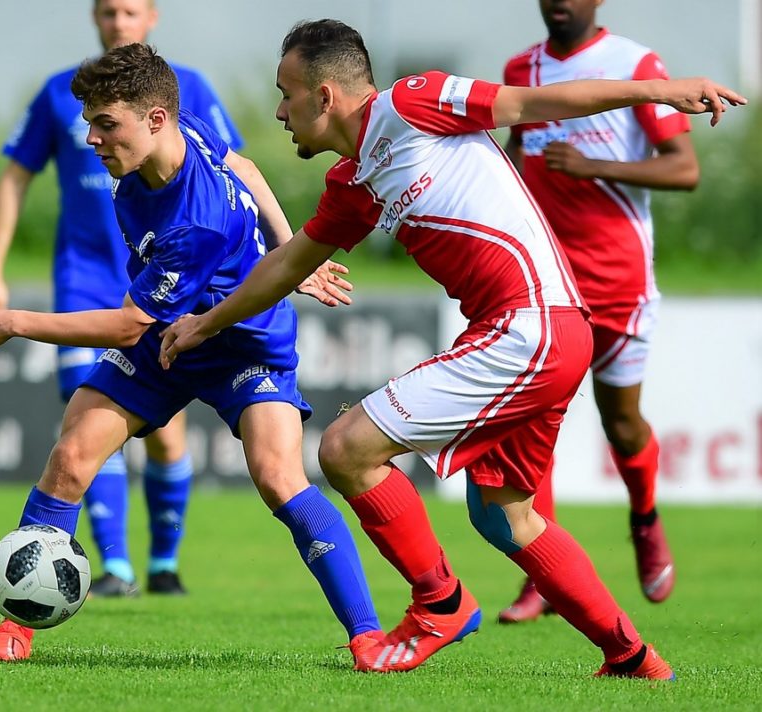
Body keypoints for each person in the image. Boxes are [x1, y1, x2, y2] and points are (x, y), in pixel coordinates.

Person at [160, 19, 744, 678]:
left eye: (285, 93)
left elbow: (535, 104)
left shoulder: (414, 102)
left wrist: (660, 91)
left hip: (529, 328)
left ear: (324, 96)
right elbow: (288, 262)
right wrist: (206, 323)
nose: (278, 111)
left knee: (345, 449)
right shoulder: (354, 182)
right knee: (504, 518)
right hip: (543, 334)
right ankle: (633, 658)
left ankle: (439, 603)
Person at [0, 41, 386, 669]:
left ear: (153, 119)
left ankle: (368, 637)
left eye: (106, 125)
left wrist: (13, 322)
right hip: (170, 334)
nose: (92, 139)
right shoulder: (178, 131)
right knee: (71, 456)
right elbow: (247, 168)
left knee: (279, 478)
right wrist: (293, 254)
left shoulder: (196, 221)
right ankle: (13, 631)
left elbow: (126, 326)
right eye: (89, 123)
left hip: (243, 339)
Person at [0, 0, 242, 629]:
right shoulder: (59, 92)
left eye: (130, 11)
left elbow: (234, 171)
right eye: (107, 12)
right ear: (94, 19)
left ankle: (164, 562)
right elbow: (14, 177)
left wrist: (285, 257)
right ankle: (115, 564)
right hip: (84, 274)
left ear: (152, 17)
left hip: (168, 269)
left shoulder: (185, 90)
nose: (118, 23)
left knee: (165, 433)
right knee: (90, 412)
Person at [496, 0, 696, 623]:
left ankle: (645, 518)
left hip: (617, 279)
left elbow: (685, 168)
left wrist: (592, 166)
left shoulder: (636, 65)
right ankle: (544, 576)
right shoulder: (521, 70)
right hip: (545, 281)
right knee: (532, 424)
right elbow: (511, 158)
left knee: (623, 422)